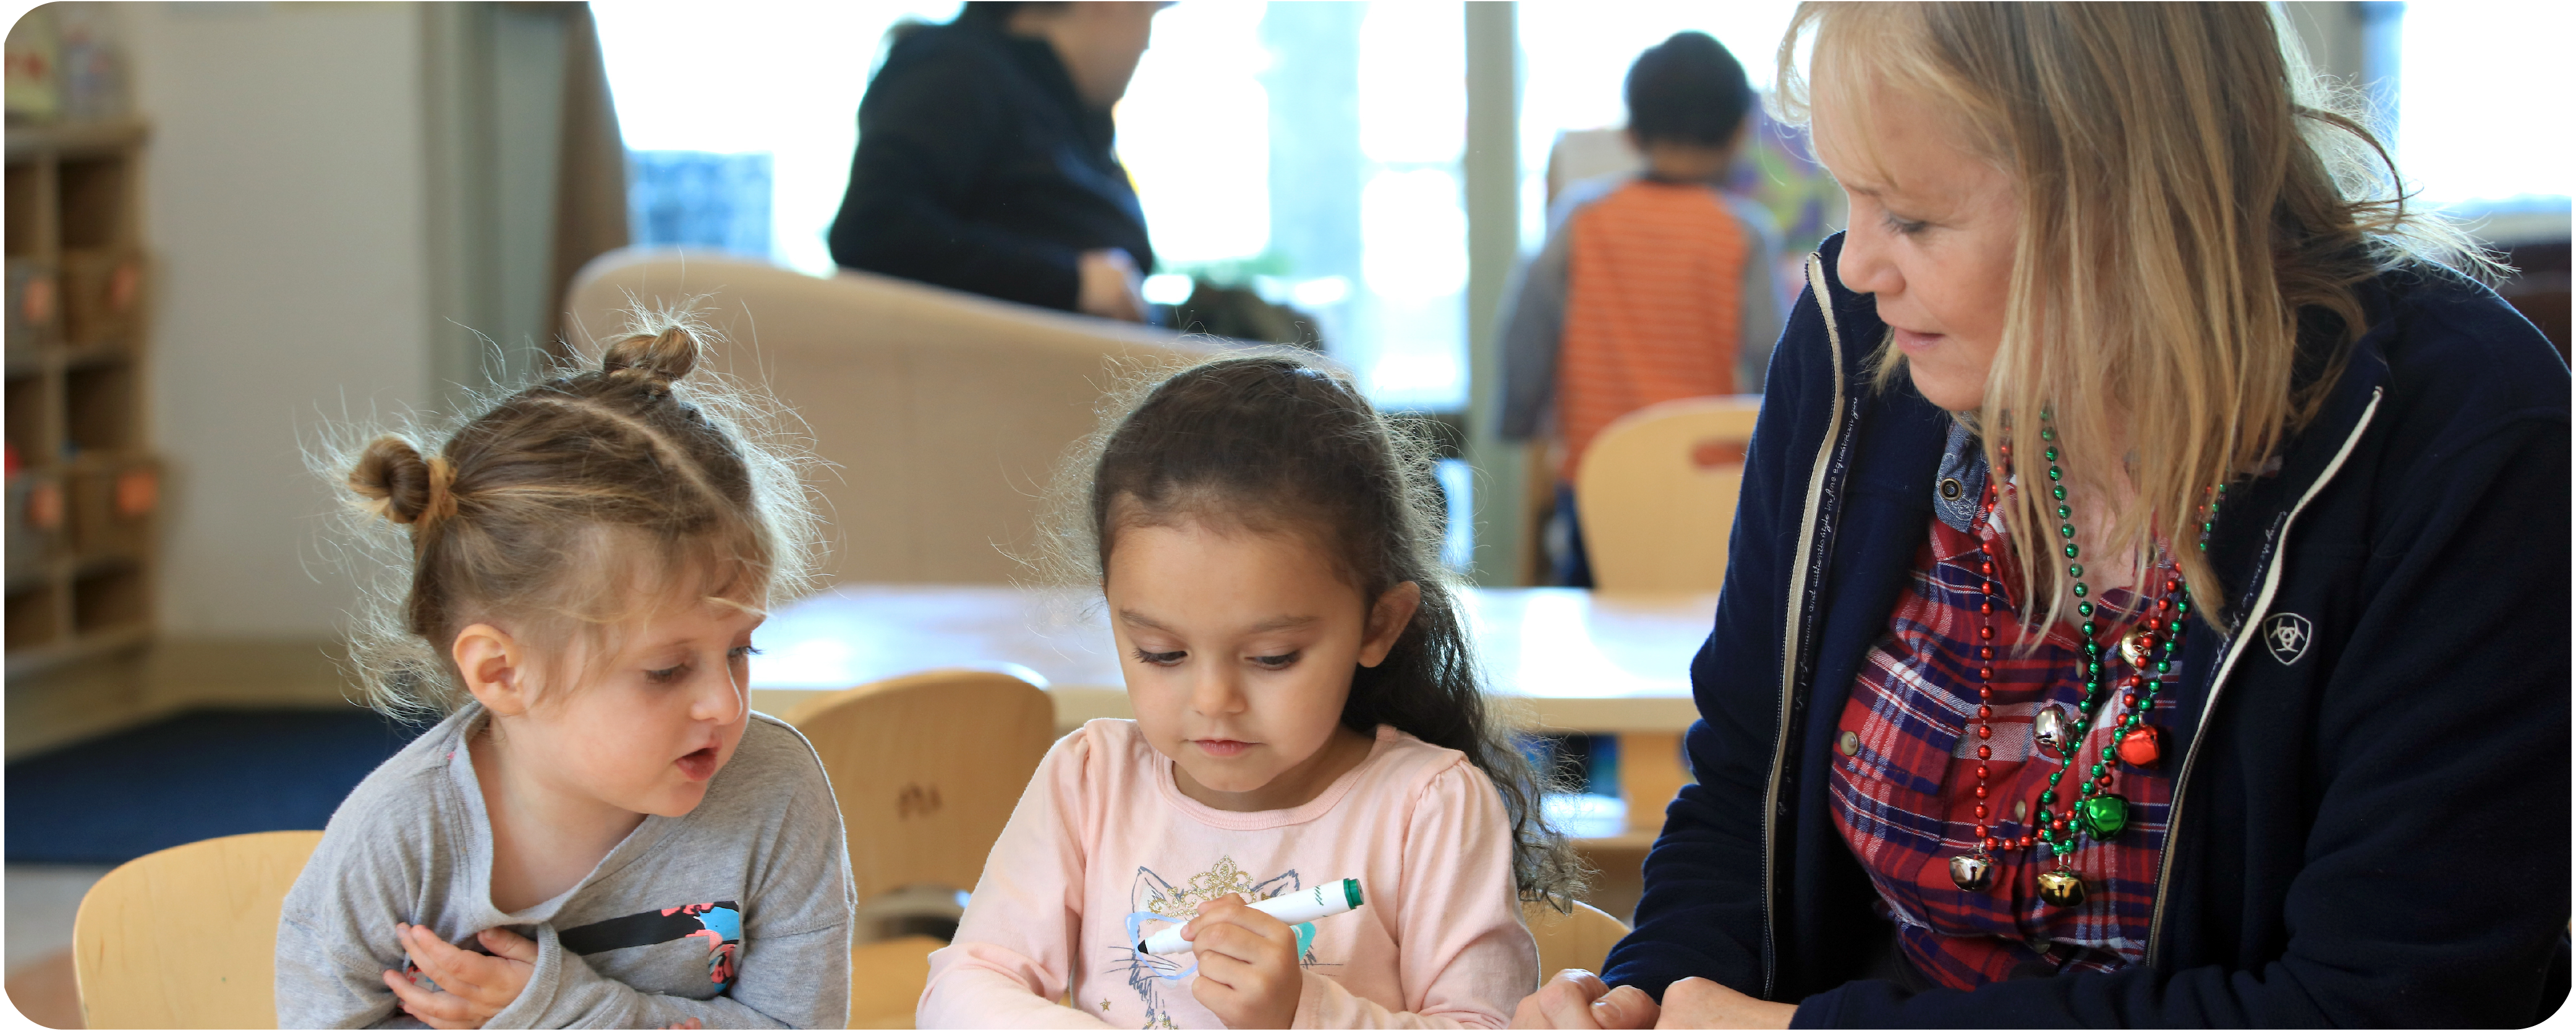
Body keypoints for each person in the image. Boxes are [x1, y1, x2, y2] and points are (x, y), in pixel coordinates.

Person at [1516, 3, 2569, 1027]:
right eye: (1853, 199)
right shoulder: (1853, 347)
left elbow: (2392, 1000)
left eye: (1914, 216)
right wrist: (1648, 993)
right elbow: (1748, 778)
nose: (1857, 264)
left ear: (2130, 196)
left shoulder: (2463, 435)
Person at [918, 356, 1577, 1029]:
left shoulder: (1427, 808)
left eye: (1272, 657)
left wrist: (1303, 1012)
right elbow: (966, 984)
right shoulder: (1088, 781)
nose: (1213, 698)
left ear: (1377, 624)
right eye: (1161, 652)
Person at [276, 320, 855, 1028]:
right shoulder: (398, 840)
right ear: (502, 672)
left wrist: (559, 1011)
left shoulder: (776, 790)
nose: (722, 703)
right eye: (667, 669)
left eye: (740, 649)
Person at [1496, 30, 1787, 587]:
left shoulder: (1580, 218)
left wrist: (1517, 418)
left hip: (1597, 471)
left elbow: (1527, 327)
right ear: (1737, 134)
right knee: (1702, 607)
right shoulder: (1743, 232)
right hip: (1706, 477)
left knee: (1596, 600)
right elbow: (1768, 358)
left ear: (1630, 132)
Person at [828, 1, 1165, 323]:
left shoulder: (1062, 108)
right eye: (1152, 10)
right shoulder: (958, 68)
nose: (1146, 44)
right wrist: (1071, 282)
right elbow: (873, 227)